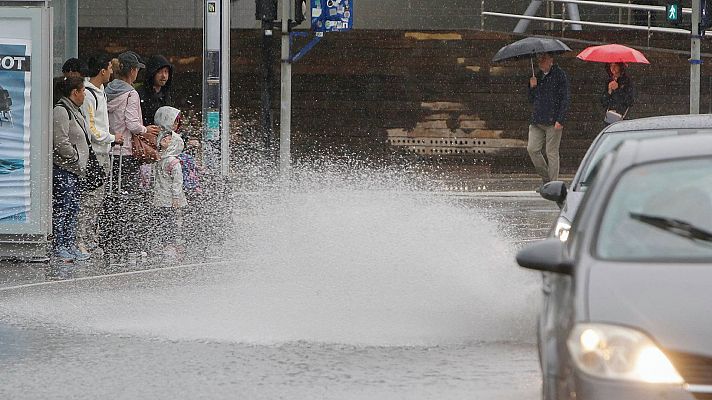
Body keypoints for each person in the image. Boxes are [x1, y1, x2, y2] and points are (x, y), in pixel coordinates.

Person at [105, 51, 160, 195]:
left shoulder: (107, 91)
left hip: (108, 149)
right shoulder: (131, 94)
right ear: (132, 70)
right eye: (137, 70)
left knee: (111, 192)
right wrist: (145, 130)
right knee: (127, 195)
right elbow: (132, 125)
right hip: (126, 150)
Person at [76, 53, 114, 254]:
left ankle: (90, 238)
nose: (111, 72)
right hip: (94, 154)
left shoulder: (102, 92)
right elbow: (91, 129)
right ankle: (80, 239)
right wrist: (112, 138)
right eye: (109, 68)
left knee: (98, 200)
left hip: (104, 153)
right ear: (102, 70)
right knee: (89, 200)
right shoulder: (89, 95)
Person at [52, 77, 90, 262]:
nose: (85, 94)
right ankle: (59, 245)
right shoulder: (61, 110)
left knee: (73, 208)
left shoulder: (76, 110)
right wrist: (75, 157)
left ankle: (69, 243)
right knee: (63, 207)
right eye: (83, 91)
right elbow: (60, 141)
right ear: (74, 92)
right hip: (64, 169)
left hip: (75, 171)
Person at [527, 52, 570, 186]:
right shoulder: (537, 76)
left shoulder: (559, 75)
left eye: (543, 59)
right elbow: (531, 99)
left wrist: (560, 119)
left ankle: (553, 184)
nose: (540, 62)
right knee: (532, 149)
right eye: (539, 59)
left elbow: (565, 98)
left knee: (551, 152)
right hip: (537, 120)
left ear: (551, 60)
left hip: (553, 120)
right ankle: (546, 180)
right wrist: (532, 87)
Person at [152, 106, 187, 259]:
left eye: (169, 138)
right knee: (162, 219)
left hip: (169, 198)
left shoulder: (172, 161)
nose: (166, 139)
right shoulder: (160, 157)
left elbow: (177, 182)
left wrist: (176, 197)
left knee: (170, 220)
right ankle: (163, 243)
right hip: (161, 196)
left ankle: (170, 244)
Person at [137, 55, 174, 126]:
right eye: (160, 72)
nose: (164, 76)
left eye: (166, 72)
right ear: (152, 73)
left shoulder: (166, 94)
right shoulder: (140, 94)